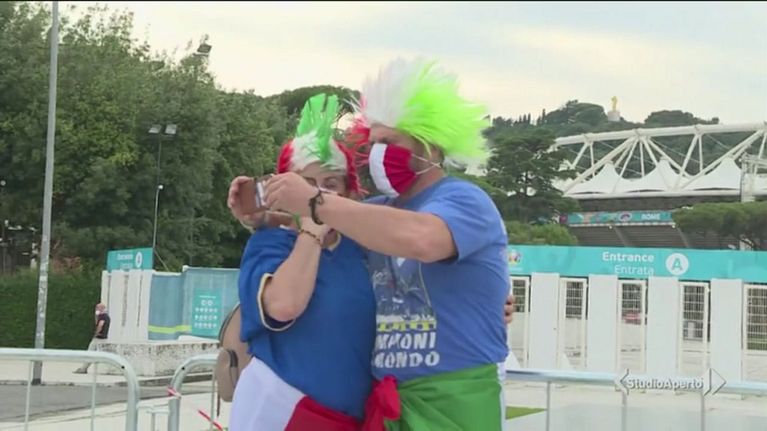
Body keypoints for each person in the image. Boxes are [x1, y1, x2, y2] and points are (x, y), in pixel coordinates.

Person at [262, 58, 511, 430]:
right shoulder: (377, 211)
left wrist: (314, 201)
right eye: (373, 142)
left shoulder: (466, 200)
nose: (377, 153)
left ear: (429, 145)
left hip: (455, 398)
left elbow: (422, 239)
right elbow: (321, 232)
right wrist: (260, 215)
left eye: (389, 142)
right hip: (387, 398)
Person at [228, 93, 376, 431]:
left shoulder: (363, 248)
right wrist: (311, 227)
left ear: (350, 194)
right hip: (282, 413)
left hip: (349, 418)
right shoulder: (268, 244)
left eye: (330, 184)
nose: (316, 193)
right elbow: (284, 305)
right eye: (305, 185)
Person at [74, 302, 110, 374]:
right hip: (104, 338)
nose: (96, 309)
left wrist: (96, 333)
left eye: (97, 307)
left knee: (89, 353)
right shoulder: (107, 317)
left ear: (101, 308)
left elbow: (100, 325)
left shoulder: (102, 316)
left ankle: (83, 369)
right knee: (99, 354)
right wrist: (96, 316)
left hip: (98, 338)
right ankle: (84, 368)